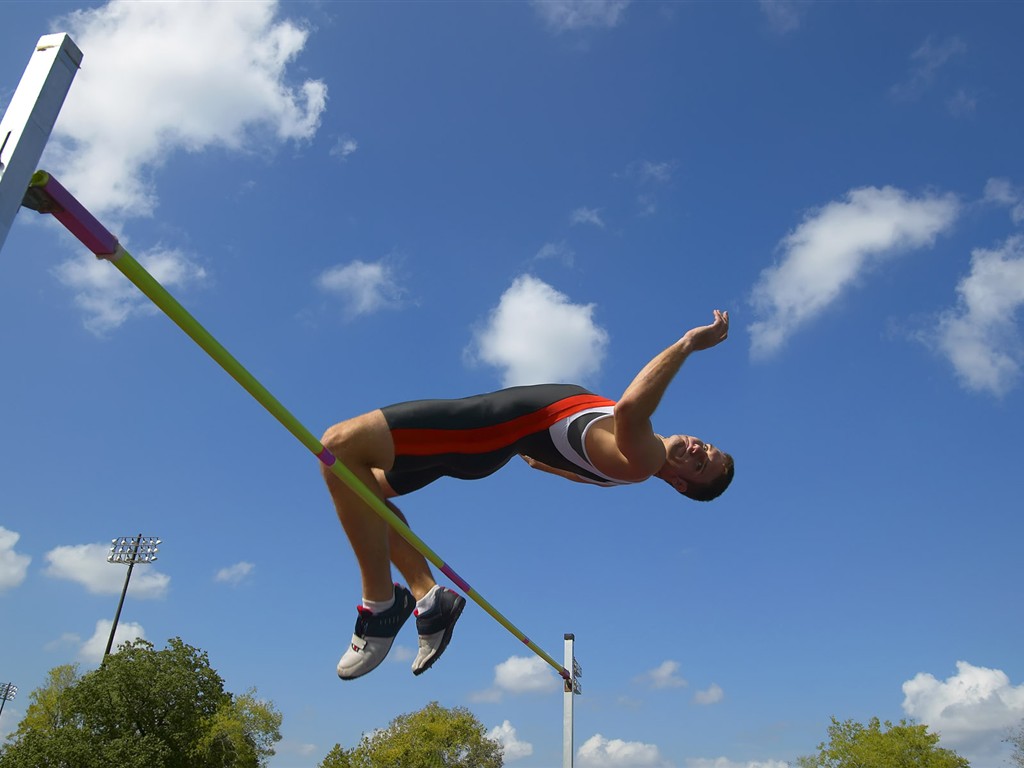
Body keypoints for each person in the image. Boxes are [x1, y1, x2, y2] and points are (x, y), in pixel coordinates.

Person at [321, 309, 734, 680]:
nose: (698, 450)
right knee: (360, 489)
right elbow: (555, 465)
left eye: (699, 465)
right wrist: (530, 451)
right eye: (707, 448)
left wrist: (688, 344)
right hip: (494, 439)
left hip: (488, 430)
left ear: (679, 483)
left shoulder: (645, 459)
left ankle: (379, 606)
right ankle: (428, 598)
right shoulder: (628, 466)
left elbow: (630, 409)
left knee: (339, 447)